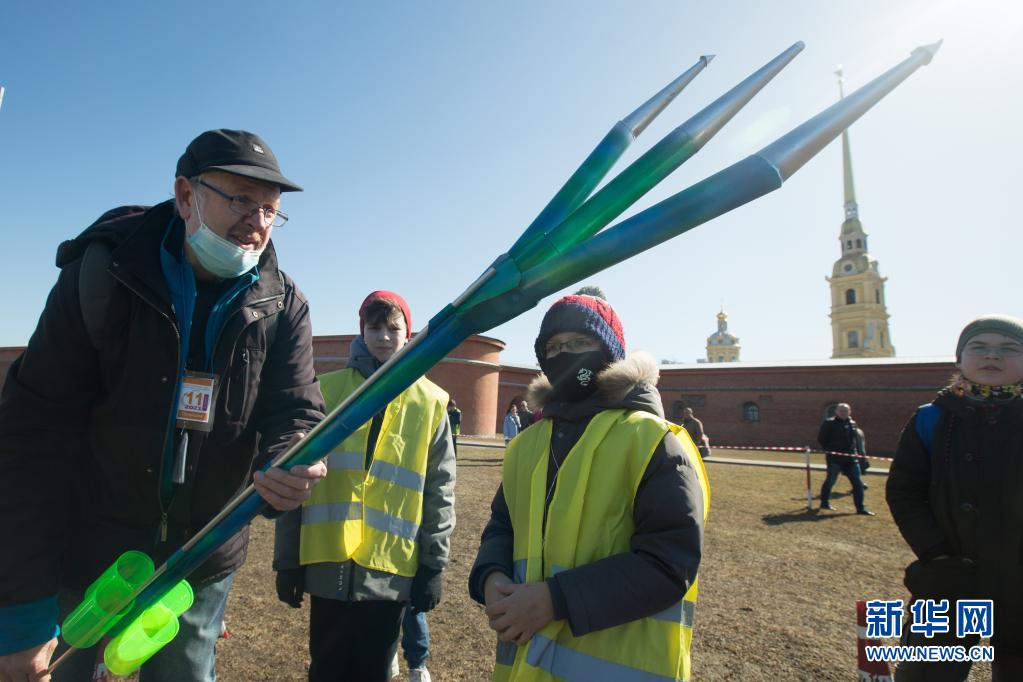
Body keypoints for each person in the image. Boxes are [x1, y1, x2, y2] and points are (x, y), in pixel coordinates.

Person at [0, 129, 328, 682]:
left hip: (196, 566)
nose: (257, 221)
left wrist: (291, 452)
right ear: (185, 196)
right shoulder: (102, 277)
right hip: (86, 554)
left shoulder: (283, 305)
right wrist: (23, 615)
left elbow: (296, 408)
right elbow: (33, 438)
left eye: (270, 210)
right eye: (240, 199)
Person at [469, 294, 708, 680]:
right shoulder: (527, 445)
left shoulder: (653, 441)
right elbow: (503, 526)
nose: (566, 354)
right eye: (554, 347)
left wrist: (556, 600)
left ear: (611, 352)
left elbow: (669, 562)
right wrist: (491, 575)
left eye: (581, 343)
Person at [273, 291, 455, 682]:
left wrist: (433, 564)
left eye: (394, 328)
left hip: (389, 572)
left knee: (374, 672)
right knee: (326, 670)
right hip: (327, 565)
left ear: (410, 332)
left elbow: (440, 491)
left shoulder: (431, 402)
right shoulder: (325, 391)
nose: (384, 337)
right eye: (374, 327)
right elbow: (295, 477)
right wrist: (287, 560)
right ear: (361, 330)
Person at [887, 315, 1023, 681]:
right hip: (948, 580)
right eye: (979, 347)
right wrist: (935, 551)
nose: (992, 356)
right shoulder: (931, 419)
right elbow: (904, 490)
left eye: (1008, 348)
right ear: (959, 359)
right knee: (928, 674)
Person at [817, 402, 874, 515]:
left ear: (850, 412)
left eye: (846, 411)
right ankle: (824, 503)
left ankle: (860, 508)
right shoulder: (829, 423)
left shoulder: (852, 423)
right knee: (830, 481)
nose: (844, 413)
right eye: (841, 411)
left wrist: (856, 453)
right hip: (834, 459)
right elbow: (821, 439)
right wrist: (830, 450)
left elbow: (854, 440)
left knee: (858, 484)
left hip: (851, 460)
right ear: (836, 412)